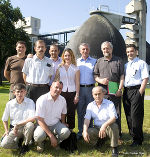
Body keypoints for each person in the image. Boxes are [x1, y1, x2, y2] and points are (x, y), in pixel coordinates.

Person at [94, 41, 124, 139]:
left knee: (117, 113)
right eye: (104, 49)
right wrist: (100, 80)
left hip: (115, 92)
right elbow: (95, 75)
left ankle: (117, 135)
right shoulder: (99, 61)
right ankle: (103, 134)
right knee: (102, 113)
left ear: (111, 49)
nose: (106, 50)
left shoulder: (118, 60)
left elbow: (122, 76)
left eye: (107, 48)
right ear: (102, 50)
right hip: (102, 93)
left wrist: (120, 89)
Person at [123, 44, 149, 146]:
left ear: (136, 52)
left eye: (131, 51)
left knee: (135, 116)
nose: (130, 53)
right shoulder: (126, 65)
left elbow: (145, 78)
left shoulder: (141, 63)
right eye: (128, 52)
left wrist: (140, 92)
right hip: (127, 91)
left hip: (137, 90)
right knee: (129, 115)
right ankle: (133, 135)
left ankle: (138, 140)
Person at [34, 81, 71, 152]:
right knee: (38, 136)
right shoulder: (42, 99)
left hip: (55, 123)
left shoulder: (62, 99)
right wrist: (51, 136)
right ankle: (41, 143)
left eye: (60, 88)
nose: (58, 90)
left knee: (66, 132)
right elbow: (40, 120)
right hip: (42, 124)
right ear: (51, 87)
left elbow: (63, 113)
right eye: (56, 87)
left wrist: (63, 122)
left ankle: (55, 142)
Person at [82, 86, 119, 156]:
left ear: (103, 94)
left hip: (108, 127)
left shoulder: (109, 103)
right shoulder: (90, 105)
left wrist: (104, 126)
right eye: (95, 94)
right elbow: (87, 120)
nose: (97, 96)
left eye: (99, 94)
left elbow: (114, 118)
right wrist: (84, 131)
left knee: (114, 127)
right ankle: (99, 142)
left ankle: (114, 148)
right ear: (92, 95)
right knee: (89, 132)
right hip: (97, 128)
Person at [1, 83, 36, 155]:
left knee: (30, 125)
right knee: (3, 144)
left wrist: (18, 124)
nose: (20, 94)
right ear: (14, 92)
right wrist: (7, 131)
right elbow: (4, 119)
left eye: (22, 91)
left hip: (26, 128)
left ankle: (25, 145)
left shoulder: (30, 102)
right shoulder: (10, 104)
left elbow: (32, 119)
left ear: (25, 92)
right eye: (18, 92)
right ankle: (18, 144)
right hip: (14, 129)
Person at [54, 48, 80, 130]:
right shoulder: (59, 67)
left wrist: (77, 95)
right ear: (63, 57)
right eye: (65, 55)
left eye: (69, 55)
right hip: (61, 93)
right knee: (61, 112)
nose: (67, 57)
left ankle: (71, 130)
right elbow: (56, 81)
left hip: (72, 93)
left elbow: (77, 82)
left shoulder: (76, 68)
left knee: (71, 112)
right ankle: (61, 129)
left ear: (72, 56)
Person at [77, 43, 97, 140]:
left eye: (87, 49)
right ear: (80, 51)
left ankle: (90, 131)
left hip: (90, 89)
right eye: (83, 49)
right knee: (80, 111)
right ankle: (80, 132)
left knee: (91, 110)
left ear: (89, 50)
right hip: (80, 89)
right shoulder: (76, 62)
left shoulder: (94, 61)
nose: (85, 51)